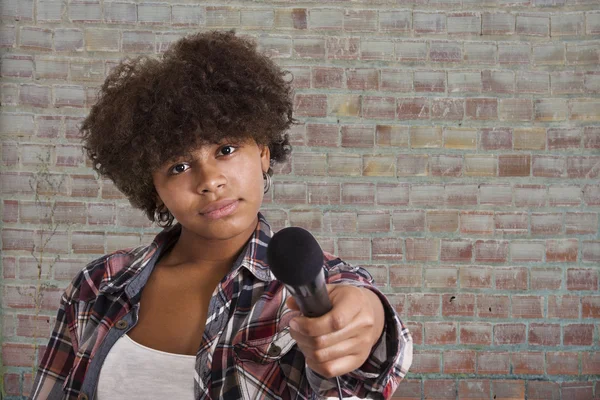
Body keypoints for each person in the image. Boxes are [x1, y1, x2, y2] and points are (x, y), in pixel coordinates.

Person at [29, 30, 412, 400]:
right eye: (179, 167)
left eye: (226, 149)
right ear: (152, 186)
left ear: (262, 150)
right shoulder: (98, 286)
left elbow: (369, 341)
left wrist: (370, 321)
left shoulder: (315, 287)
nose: (210, 181)